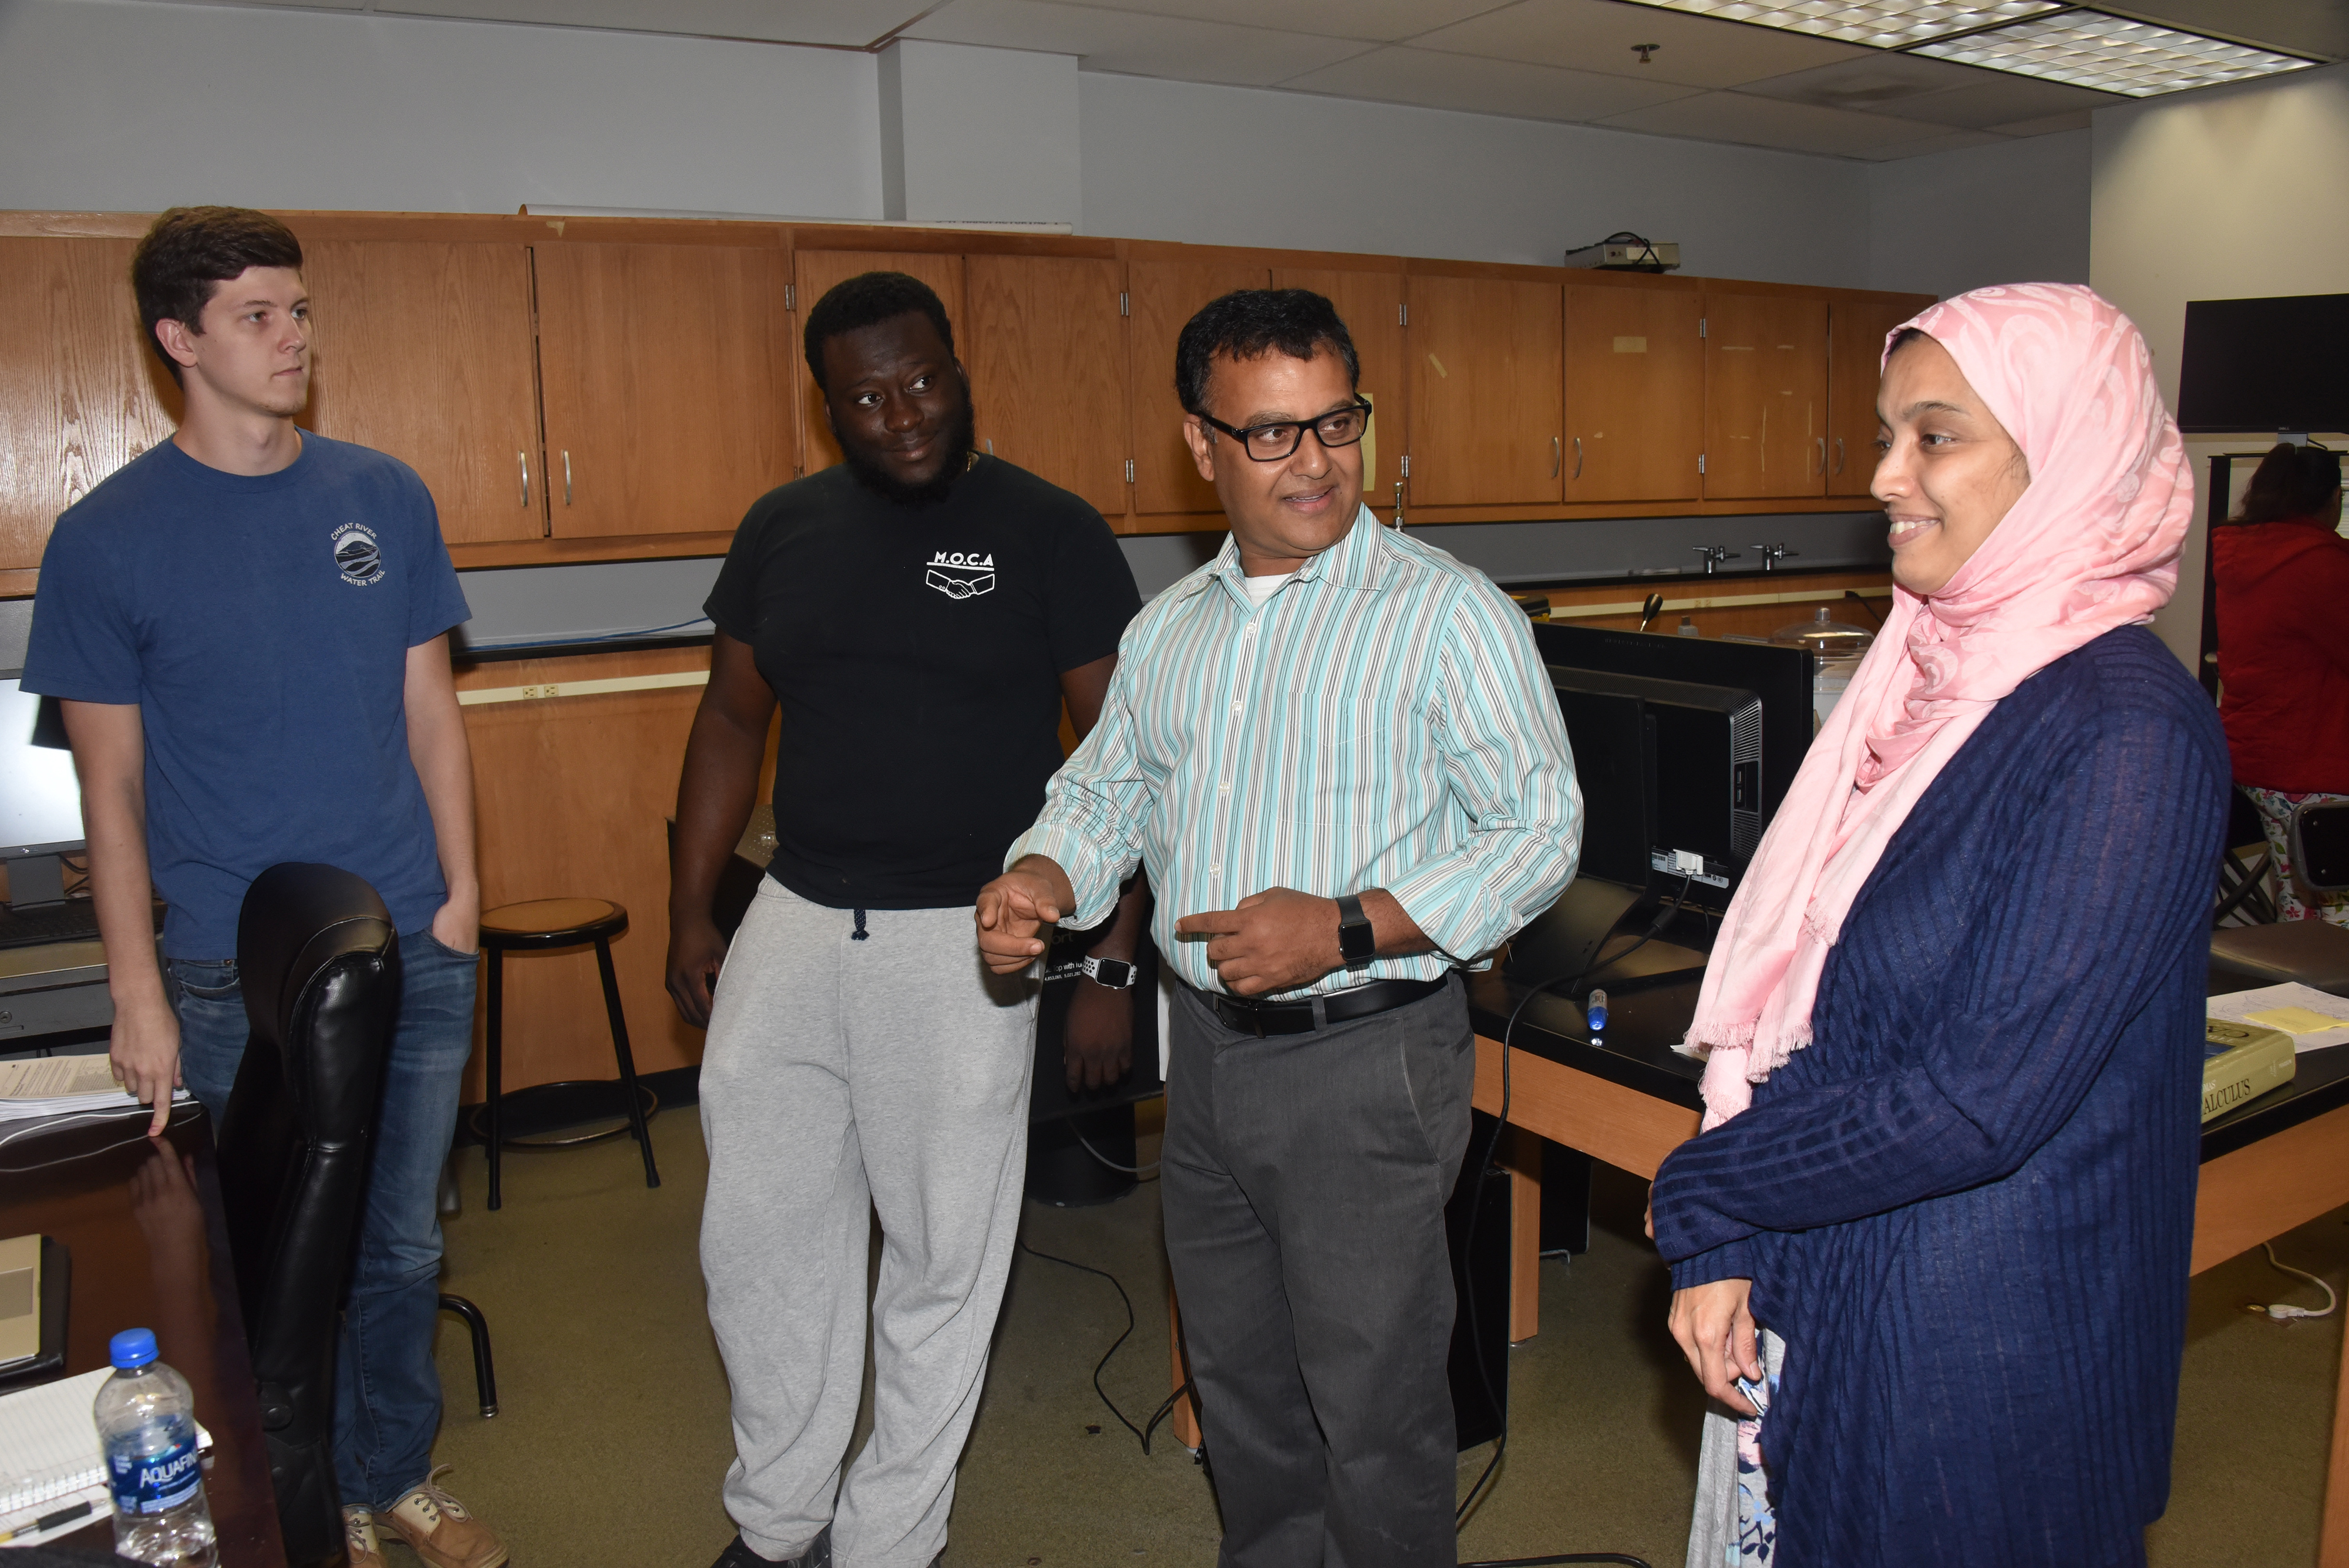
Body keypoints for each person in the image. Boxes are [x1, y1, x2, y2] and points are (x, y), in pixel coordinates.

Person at [975, 288, 1581, 1568]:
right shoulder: (1170, 630)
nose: (1314, 463)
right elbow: (1112, 790)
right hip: (1202, 1063)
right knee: (1240, 1392)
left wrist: (1349, 925)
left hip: (1365, 1064)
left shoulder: (1441, 612)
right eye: (1270, 435)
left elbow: (1537, 832)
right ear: (1200, 446)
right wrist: (1041, 871)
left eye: (1336, 424)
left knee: (1373, 1411)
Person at [1648, 284, 2229, 1567]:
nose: (1883, 475)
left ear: (2062, 457)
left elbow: (1977, 1102)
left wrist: (1703, 1189)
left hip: (1983, 1354)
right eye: (1882, 433)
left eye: (1933, 435)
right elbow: (1804, 1001)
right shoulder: (1919, 686)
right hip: (1849, 1278)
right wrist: (1732, 1241)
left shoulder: (2123, 731)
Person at [21, 207, 504, 1568]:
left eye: (298, 311)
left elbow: (431, 711)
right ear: (177, 338)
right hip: (236, 976)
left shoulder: (384, 493)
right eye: (257, 316)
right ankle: (301, 1507)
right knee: (273, 1260)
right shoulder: (106, 539)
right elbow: (105, 791)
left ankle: (393, 1476)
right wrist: (138, 991)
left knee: (402, 1246)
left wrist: (463, 891)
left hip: (413, 938)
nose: (292, 338)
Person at [669, 271, 1146, 1568]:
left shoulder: (1048, 531)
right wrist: (690, 910)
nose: (905, 414)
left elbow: (1121, 757)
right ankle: (776, 1524)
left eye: (924, 379)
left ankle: (887, 1541)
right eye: (868, 397)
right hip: (798, 912)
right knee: (760, 1242)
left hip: (966, 944)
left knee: (940, 1261)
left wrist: (1111, 959)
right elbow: (728, 720)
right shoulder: (783, 527)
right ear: (829, 410)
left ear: (958, 367)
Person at [2211, 440, 2349, 923]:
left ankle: (2299, 992)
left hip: (2259, 761)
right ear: (2332, 500)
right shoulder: (2323, 565)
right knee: (2333, 914)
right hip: (2317, 768)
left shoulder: (2243, 557)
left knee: (2301, 895)